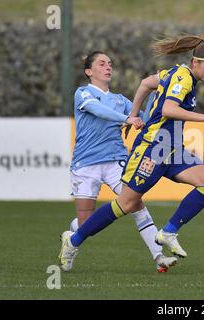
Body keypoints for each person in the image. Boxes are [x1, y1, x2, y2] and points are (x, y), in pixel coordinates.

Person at [58, 34, 204, 271]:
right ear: (196, 63)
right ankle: (73, 240)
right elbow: (169, 108)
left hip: (172, 148)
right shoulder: (183, 78)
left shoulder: (174, 73)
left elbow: (146, 83)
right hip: (153, 148)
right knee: (127, 204)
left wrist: (134, 114)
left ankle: (168, 232)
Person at [60, 51, 177, 272]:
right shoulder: (83, 93)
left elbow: (143, 118)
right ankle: (72, 236)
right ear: (89, 71)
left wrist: (161, 100)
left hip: (116, 161)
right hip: (85, 165)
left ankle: (159, 257)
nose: (108, 67)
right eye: (102, 64)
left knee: (135, 203)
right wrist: (126, 119)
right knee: (86, 224)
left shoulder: (121, 100)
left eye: (110, 64)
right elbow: (98, 110)